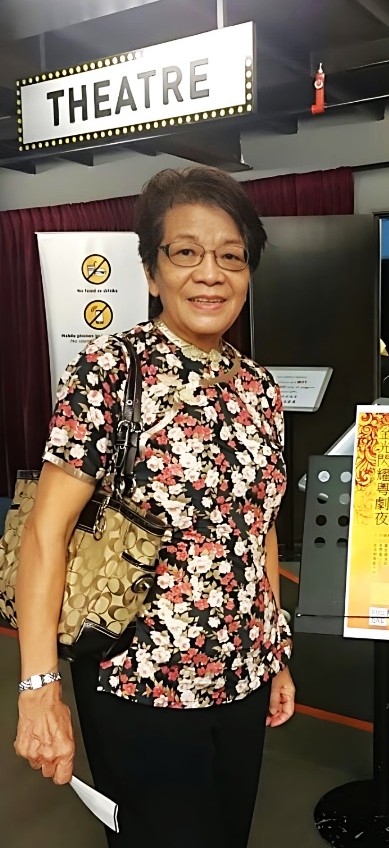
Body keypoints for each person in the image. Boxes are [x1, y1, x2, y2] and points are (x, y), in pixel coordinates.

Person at [13, 166, 294, 848]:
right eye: (186, 252)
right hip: (140, 682)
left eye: (231, 256)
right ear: (150, 270)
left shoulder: (259, 387)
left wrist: (275, 651)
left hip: (242, 675)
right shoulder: (113, 370)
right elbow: (45, 534)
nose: (210, 274)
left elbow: (259, 527)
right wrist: (38, 687)